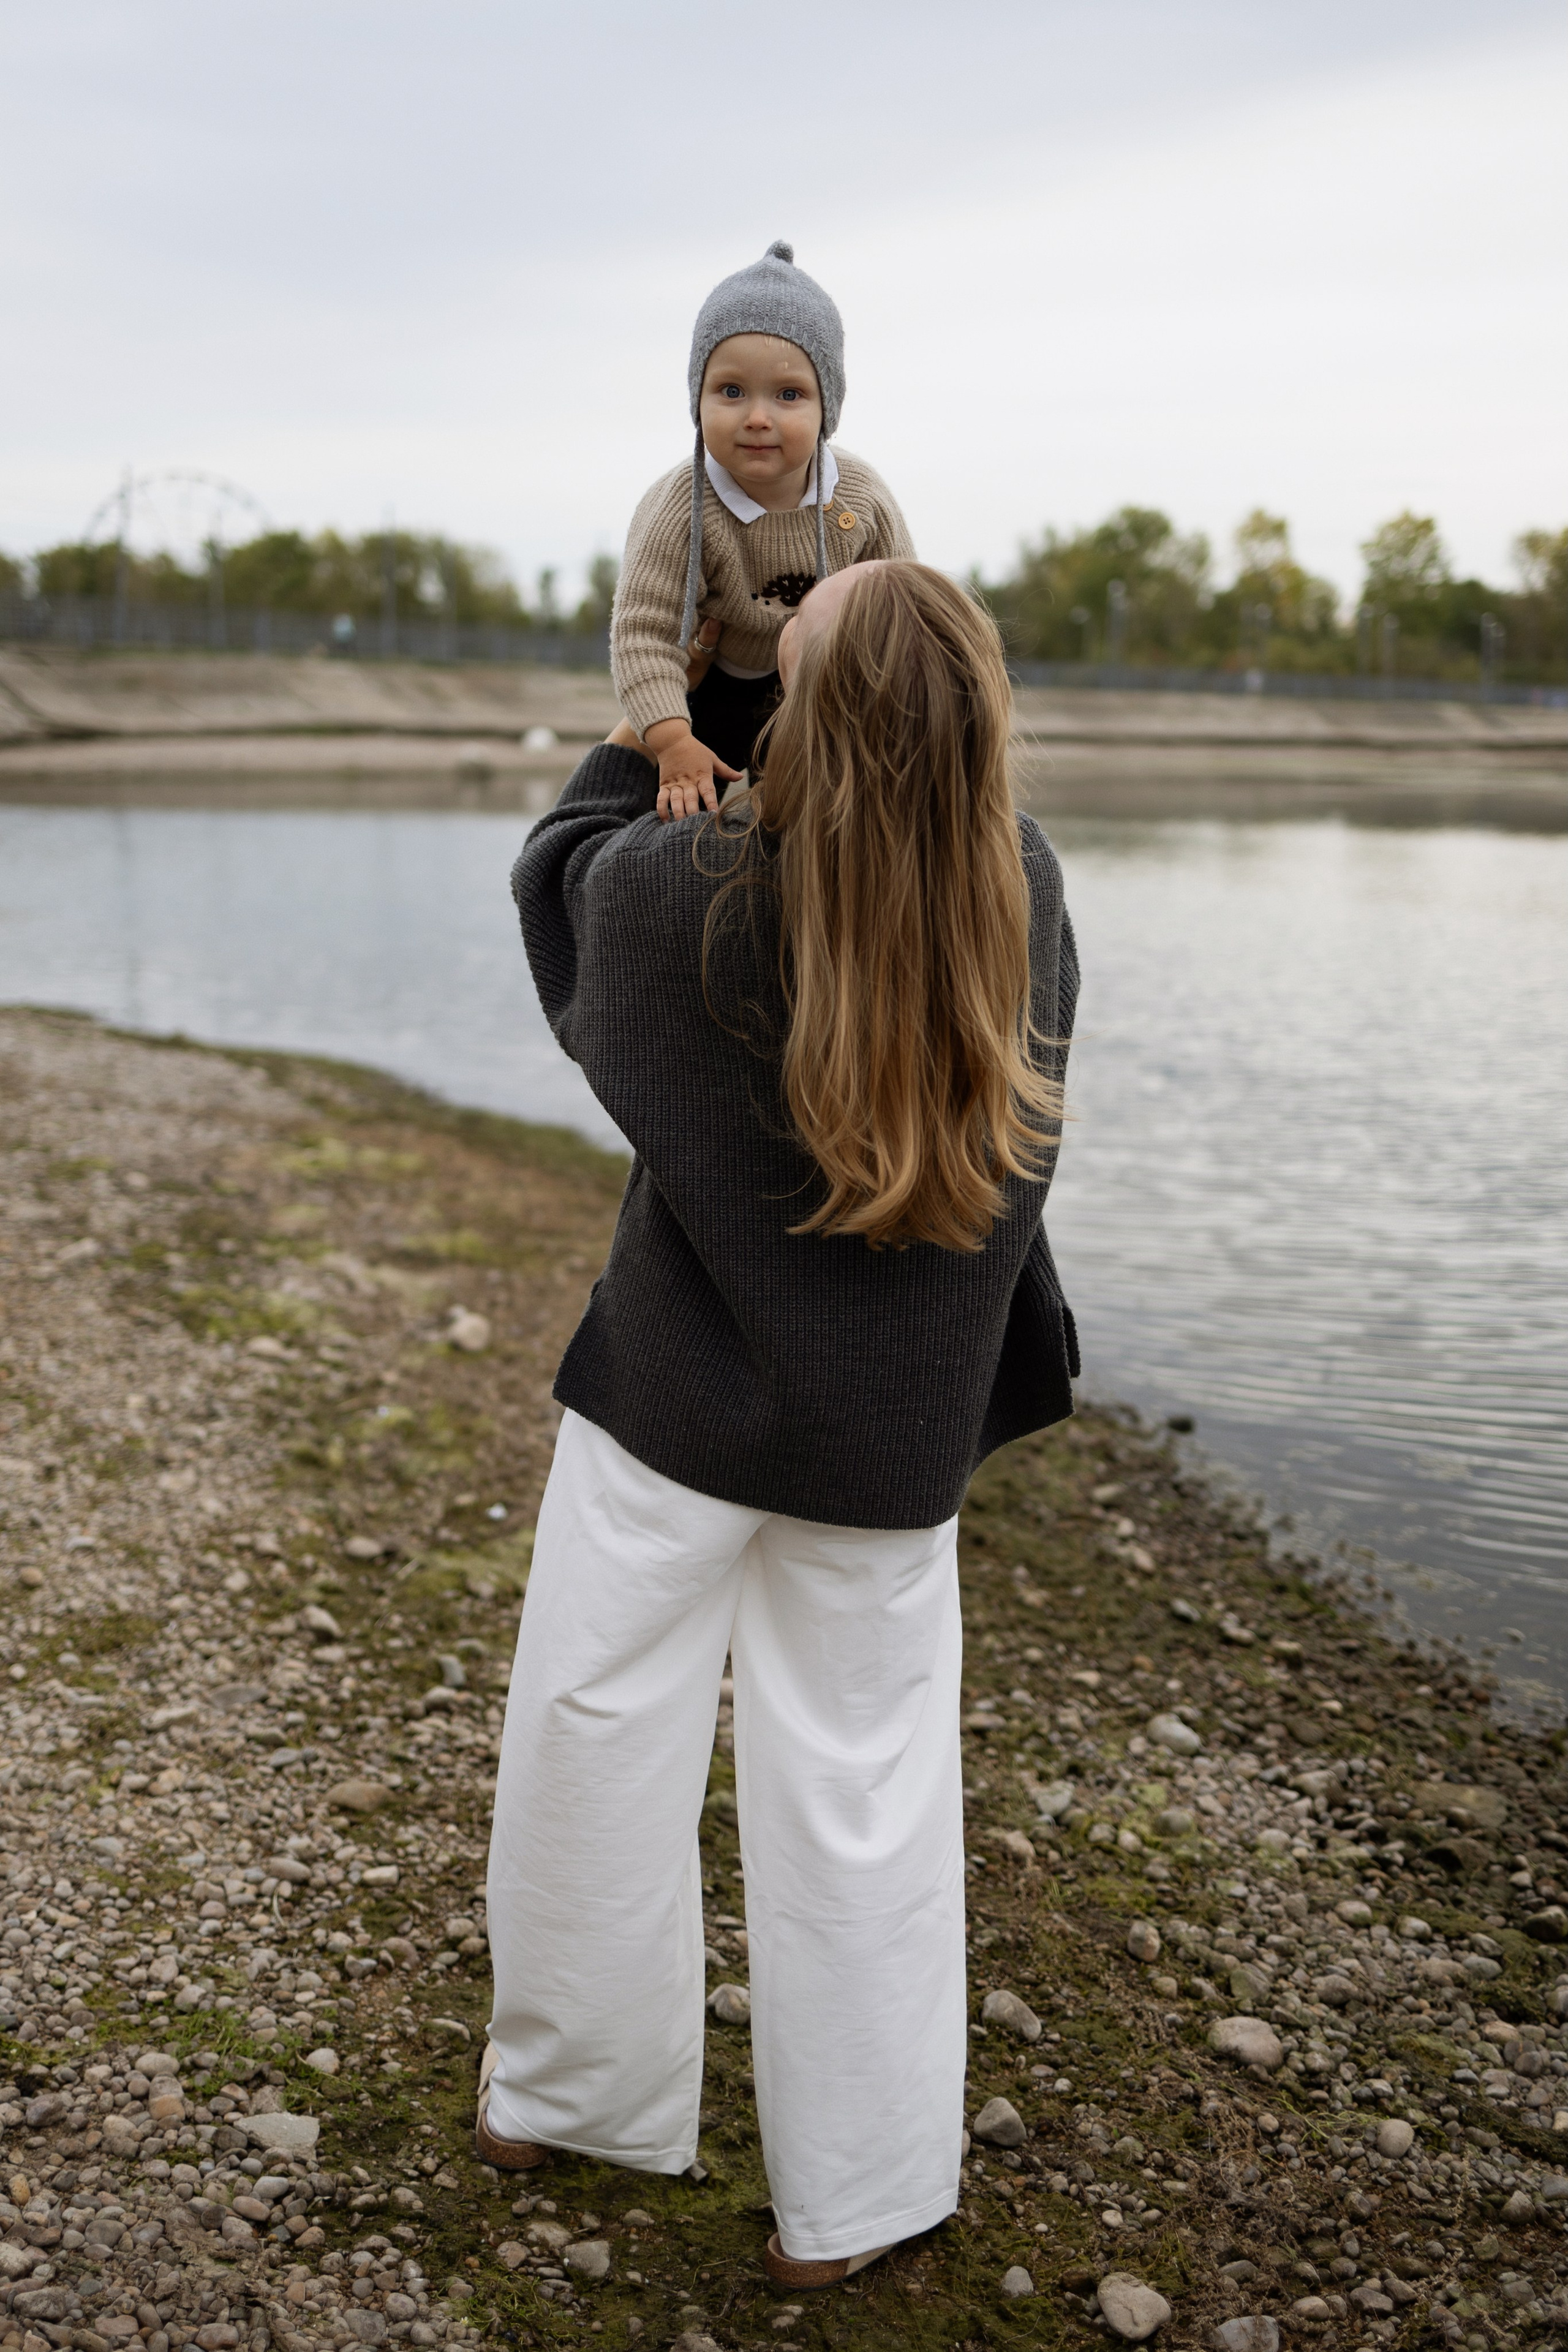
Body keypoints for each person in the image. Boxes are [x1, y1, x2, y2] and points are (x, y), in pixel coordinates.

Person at [480, 560, 1079, 2292]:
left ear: (797, 720)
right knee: (870, 1801)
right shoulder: (1023, 888)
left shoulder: (690, 889)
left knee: (598, 1731)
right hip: (890, 1443)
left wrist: (665, 714)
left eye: (788, 678)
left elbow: (553, 883)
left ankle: (567, 2099)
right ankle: (865, 2198)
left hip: (674, 1411)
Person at [610, 239, 914, 823]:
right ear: (696, 400)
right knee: (674, 820)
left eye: (789, 395)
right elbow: (643, 633)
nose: (756, 416)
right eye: (730, 391)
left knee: (808, 825)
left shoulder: (861, 498)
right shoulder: (681, 505)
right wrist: (671, 740)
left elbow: (900, 618)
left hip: (810, 691)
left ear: (828, 408)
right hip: (707, 688)